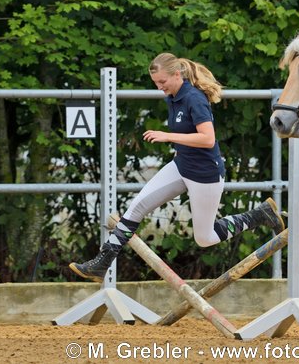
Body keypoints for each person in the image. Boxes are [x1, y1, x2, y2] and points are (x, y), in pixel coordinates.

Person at [70, 53, 284, 282]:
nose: (159, 87)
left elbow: (208, 139)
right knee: (137, 206)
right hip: (181, 166)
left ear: (177, 74)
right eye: (156, 83)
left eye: (162, 82)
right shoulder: (172, 97)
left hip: (204, 174)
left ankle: (258, 216)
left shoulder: (194, 98)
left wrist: (167, 136)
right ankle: (102, 263)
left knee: (206, 237)